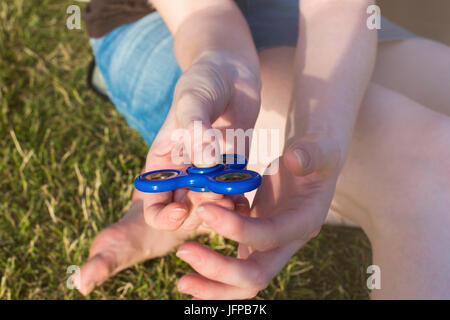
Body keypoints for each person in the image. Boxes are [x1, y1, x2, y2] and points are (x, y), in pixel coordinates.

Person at [78, 0, 450, 299]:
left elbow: (335, 7)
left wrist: (320, 142)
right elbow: (204, 13)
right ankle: (192, 198)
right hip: (165, 19)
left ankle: (198, 204)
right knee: (423, 176)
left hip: (292, 9)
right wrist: (224, 67)